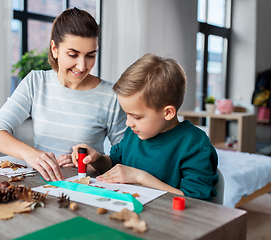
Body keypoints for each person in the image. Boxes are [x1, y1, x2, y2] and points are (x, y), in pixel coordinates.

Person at [0, 8, 126, 182]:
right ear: (55, 49)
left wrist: (95, 161)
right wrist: (31, 154)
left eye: (90, 55)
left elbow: (125, 159)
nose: (82, 66)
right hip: (41, 187)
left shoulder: (110, 96)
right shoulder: (36, 82)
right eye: (73, 54)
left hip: (87, 189)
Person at [72, 53, 218, 201]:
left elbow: (196, 201)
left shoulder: (194, 145)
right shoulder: (133, 133)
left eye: (136, 117)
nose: (128, 123)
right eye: (126, 114)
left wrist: (140, 177)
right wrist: (96, 159)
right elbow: (114, 165)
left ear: (167, 112)